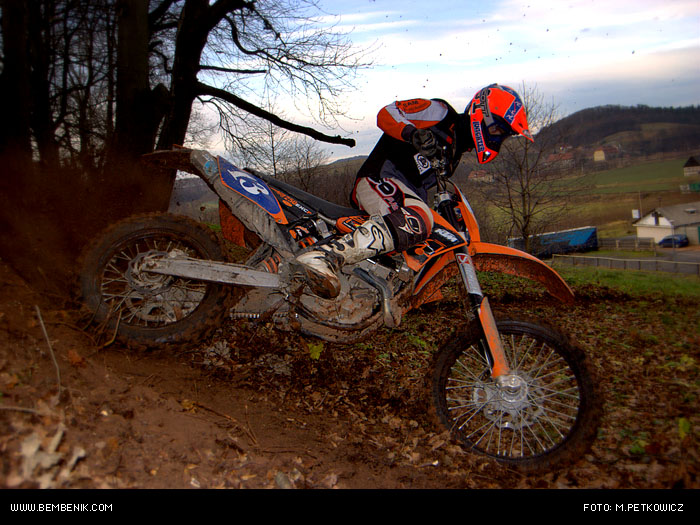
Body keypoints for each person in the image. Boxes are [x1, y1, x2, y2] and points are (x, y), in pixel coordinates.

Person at [297, 83, 534, 299]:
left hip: (400, 195)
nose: (498, 139)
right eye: (498, 131)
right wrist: (412, 133)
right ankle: (325, 257)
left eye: (503, 136)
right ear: (484, 114)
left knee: (426, 240)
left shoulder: (453, 155)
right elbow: (387, 113)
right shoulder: (440, 113)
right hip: (378, 179)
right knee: (419, 220)